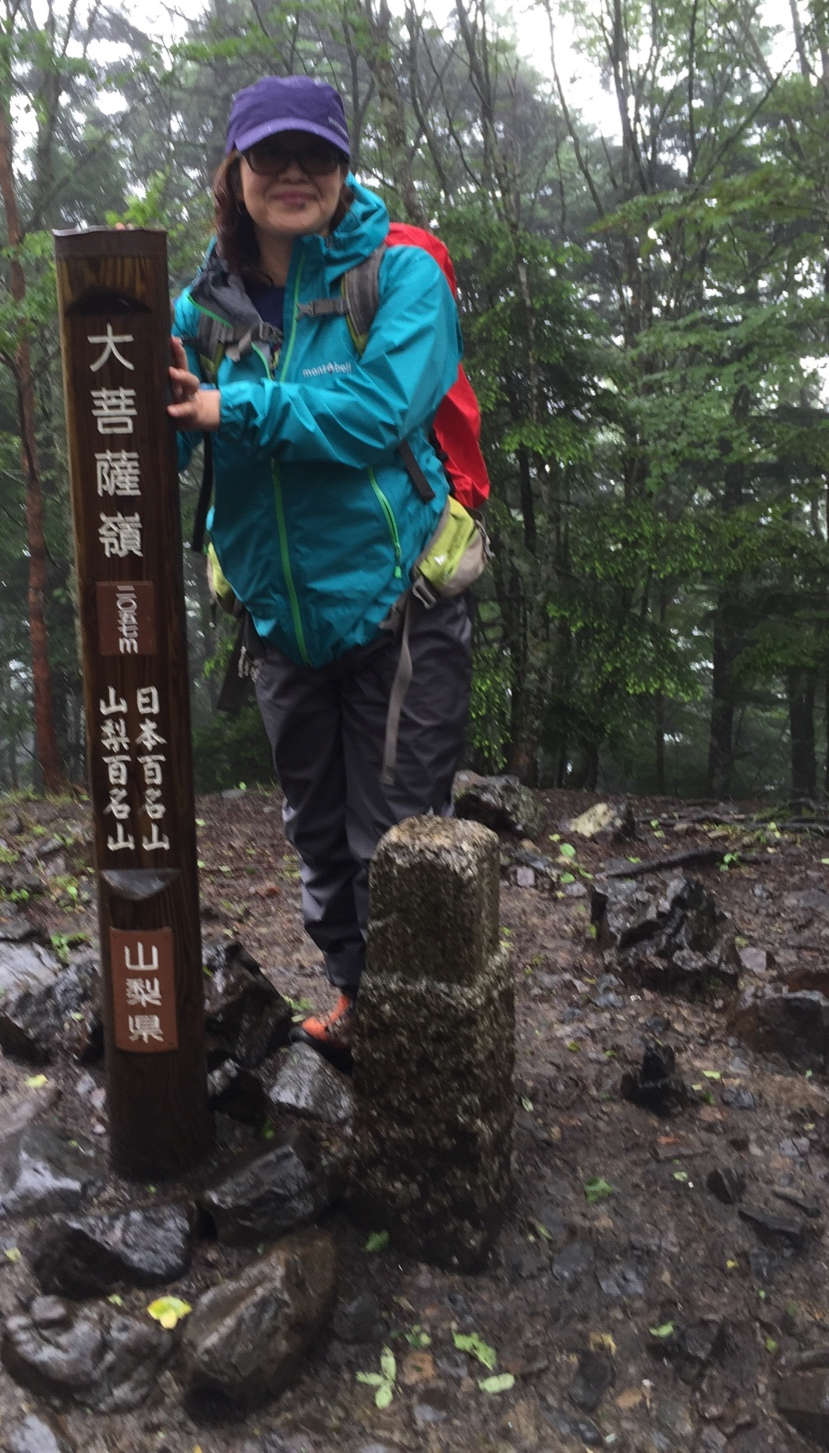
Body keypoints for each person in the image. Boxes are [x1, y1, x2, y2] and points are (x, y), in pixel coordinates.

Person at [168, 74, 474, 1062]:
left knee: (396, 837)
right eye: (272, 156)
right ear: (236, 170)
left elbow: (382, 410)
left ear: (345, 168)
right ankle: (353, 994)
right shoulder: (200, 307)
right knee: (314, 826)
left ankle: (422, 1026)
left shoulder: (396, 278)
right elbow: (152, 442)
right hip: (277, 618)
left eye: (317, 157)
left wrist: (231, 410)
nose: (294, 174)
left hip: (399, 606)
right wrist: (142, 418)